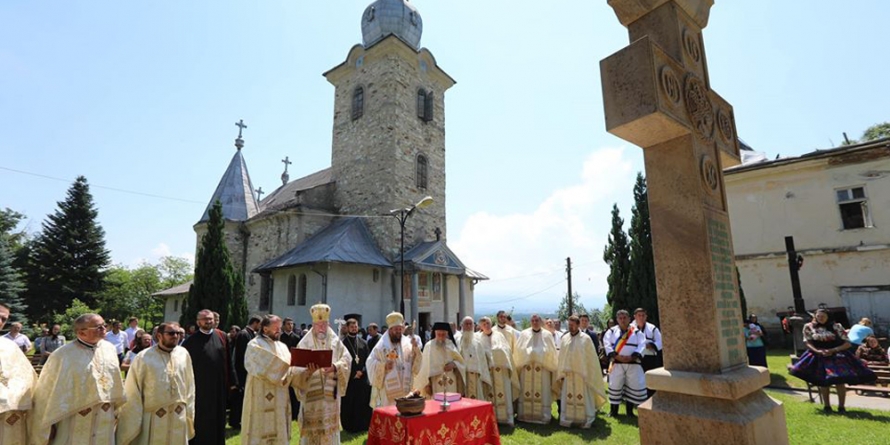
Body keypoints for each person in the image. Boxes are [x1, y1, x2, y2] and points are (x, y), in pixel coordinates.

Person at [30, 313, 125, 445]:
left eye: (104, 325)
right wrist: (46, 424)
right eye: (98, 327)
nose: (104, 329)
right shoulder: (62, 355)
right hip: (75, 417)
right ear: (82, 332)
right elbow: (46, 390)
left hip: (105, 416)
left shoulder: (109, 349)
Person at [117, 321, 195, 445]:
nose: (175, 336)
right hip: (153, 415)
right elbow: (132, 390)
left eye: (178, 333)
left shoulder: (183, 354)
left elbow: (190, 384)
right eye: (171, 333)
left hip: (178, 414)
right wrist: (135, 418)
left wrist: (189, 409)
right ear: (159, 336)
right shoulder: (144, 357)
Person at [790, 308, 876, 413]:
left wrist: (833, 350)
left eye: (823, 316)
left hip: (837, 356)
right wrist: (817, 351)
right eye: (818, 317)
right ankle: (827, 406)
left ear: (828, 317)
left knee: (840, 381)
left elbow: (847, 343)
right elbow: (807, 342)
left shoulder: (837, 326)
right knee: (823, 382)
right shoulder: (808, 327)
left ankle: (841, 407)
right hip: (818, 355)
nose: (820, 318)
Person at [238, 315, 301, 445]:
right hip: (259, 396)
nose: (280, 330)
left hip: (280, 397)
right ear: (265, 329)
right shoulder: (254, 345)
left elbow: (290, 370)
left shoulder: (282, 347)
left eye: (280, 327)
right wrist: (287, 368)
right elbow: (265, 366)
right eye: (276, 328)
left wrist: (304, 370)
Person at [293, 304, 351, 445]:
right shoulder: (304, 343)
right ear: (313, 325)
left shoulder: (335, 341)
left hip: (330, 396)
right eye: (318, 325)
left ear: (328, 324)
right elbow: (295, 369)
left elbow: (347, 359)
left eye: (324, 324)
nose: (321, 328)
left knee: (329, 433)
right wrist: (307, 371)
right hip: (311, 396)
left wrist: (335, 367)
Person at [180, 309, 230, 445]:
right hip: (199, 389)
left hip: (218, 388)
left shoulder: (222, 337)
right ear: (198, 322)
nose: (208, 321)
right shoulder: (190, 342)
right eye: (205, 319)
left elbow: (228, 361)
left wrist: (231, 383)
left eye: (210, 319)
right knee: (201, 421)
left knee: (218, 419)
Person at [555, 315, 606, 428]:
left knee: (583, 397)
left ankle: (585, 419)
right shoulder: (565, 338)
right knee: (568, 397)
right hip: (568, 375)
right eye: (569, 325)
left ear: (578, 325)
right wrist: (562, 372)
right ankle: (568, 419)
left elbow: (591, 358)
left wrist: (587, 372)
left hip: (582, 376)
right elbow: (562, 356)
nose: (571, 327)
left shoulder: (586, 339)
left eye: (573, 325)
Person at [0, 302, 37, 445]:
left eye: (4, 319)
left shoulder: (10, 347)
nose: (0, 322)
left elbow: (29, 380)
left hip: (10, 418)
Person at [366, 312, 422, 407]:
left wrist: (416, 349)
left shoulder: (407, 343)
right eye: (396, 329)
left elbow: (415, 365)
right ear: (390, 329)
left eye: (400, 329)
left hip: (406, 389)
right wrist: (383, 366)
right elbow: (370, 363)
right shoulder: (382, 346)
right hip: (388, 392)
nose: (398, 331)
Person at [513, 314, 558, 424]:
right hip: (526, 368)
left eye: (537, 320)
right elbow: (519, 351)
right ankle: (524, 415)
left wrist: (539, 355)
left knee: (543, 391)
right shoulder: (524, 334)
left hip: (543, 369)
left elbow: (551, 353)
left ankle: (543, 415)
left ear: (541, 322)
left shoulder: (547, 335)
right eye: (532, 320)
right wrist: (528, 355)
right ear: (530, 322)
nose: (534, 322)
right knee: (525, 391)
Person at [603, 309, 648, 417]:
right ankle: (613, 411)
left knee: (632, 385)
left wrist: (632, 357)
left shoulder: (637, 332)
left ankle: (630, 412)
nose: (622, 320)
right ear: (617, 319)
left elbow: (642, 345)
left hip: (633, 363)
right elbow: (607, 344)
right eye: (620, 318)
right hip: (617, 363)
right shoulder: (612, 331)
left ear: (629, 319)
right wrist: (617, 356)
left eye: (625, 318)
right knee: (615, 385)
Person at [477, 316, 519, 426]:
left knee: (504, 394)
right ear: (480, 326)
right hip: (488, 373)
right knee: (489, 394)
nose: (486, 325)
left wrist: (497, 356)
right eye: (484, 324)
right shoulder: (478, 338)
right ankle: (491, 418)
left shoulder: (499, 335)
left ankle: (506, 418)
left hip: (501, 371)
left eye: (488, 323)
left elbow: (506, 350)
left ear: (491, 324)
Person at [414, 322, 466, 398]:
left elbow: (461, 362)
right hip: (436, 381)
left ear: (447, 334)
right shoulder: (429, 346)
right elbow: (425, 367)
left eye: (443, 334)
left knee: (452, 402)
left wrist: (454, 364)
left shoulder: (450, 344)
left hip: (451, 380)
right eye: (439, 334)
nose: (441, 337)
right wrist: (427, 385)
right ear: (435, 333)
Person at [340, 318, 372, 433]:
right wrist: (353, 373)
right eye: (352, 326)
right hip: (350, 379)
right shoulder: (342, 344)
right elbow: (342, 361)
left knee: (362, 402)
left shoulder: (363, 342)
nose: (354, 328)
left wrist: (362, 371)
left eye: (356, 326)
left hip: (362, 379)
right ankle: (350, 426)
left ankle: (363, 425)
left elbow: (368, 359)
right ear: (347, 328)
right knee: (350, 403)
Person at [231, 315, 261, 429]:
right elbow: (244, 354)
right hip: (242, 371)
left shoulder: (249, 333)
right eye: (259, 324)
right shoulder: (244, 334)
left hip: (246, 371)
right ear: (255, 323)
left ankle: (240, 419)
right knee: (239, 397)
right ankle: (235, 421)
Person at [457, 316, 492, 400]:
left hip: (476, 378)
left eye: (470, 324)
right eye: (466, 324)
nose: (468, 326)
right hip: (462, 377)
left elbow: (482, 360)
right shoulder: (457, 340)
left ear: (473, 326)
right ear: (462, 325)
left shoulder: (478, 342)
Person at [279, 317, 302, 421]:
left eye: (292, 324)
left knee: (294, 390)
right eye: (288, 324)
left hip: (294, 367)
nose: (290, 326)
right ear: (284, 325)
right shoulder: (279, 338)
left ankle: (295, 412)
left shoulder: (297, 338)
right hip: (282, 368)